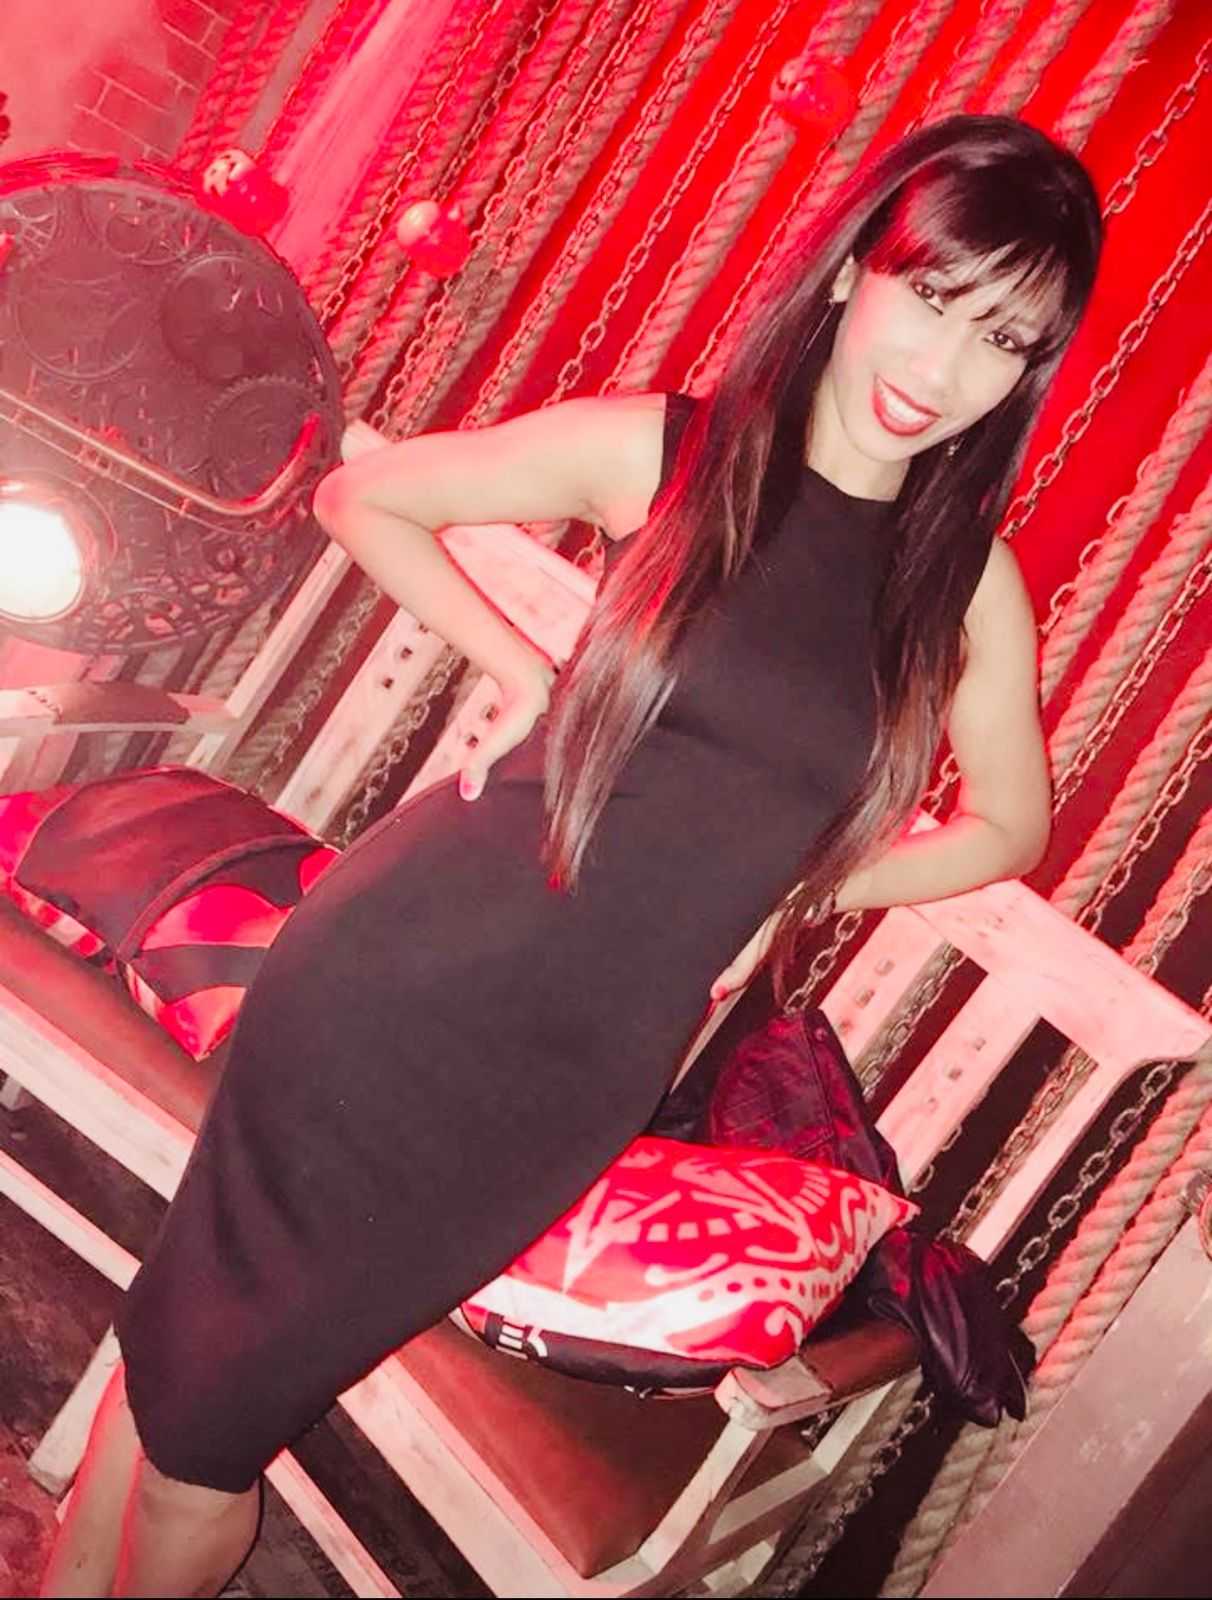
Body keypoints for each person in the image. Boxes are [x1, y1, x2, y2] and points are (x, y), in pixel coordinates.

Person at [43, 112, 1101, 1597]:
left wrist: (805, 878)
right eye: (931, 296)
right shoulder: (667, 451)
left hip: (555, 1083)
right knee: (197, 1410)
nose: (944, 366)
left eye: (1000, 339)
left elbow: (1011, 824)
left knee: (207, 1400)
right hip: (387, 974)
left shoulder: (960, 589)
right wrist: (525, 669)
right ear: (856, 267)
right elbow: (364, 496)